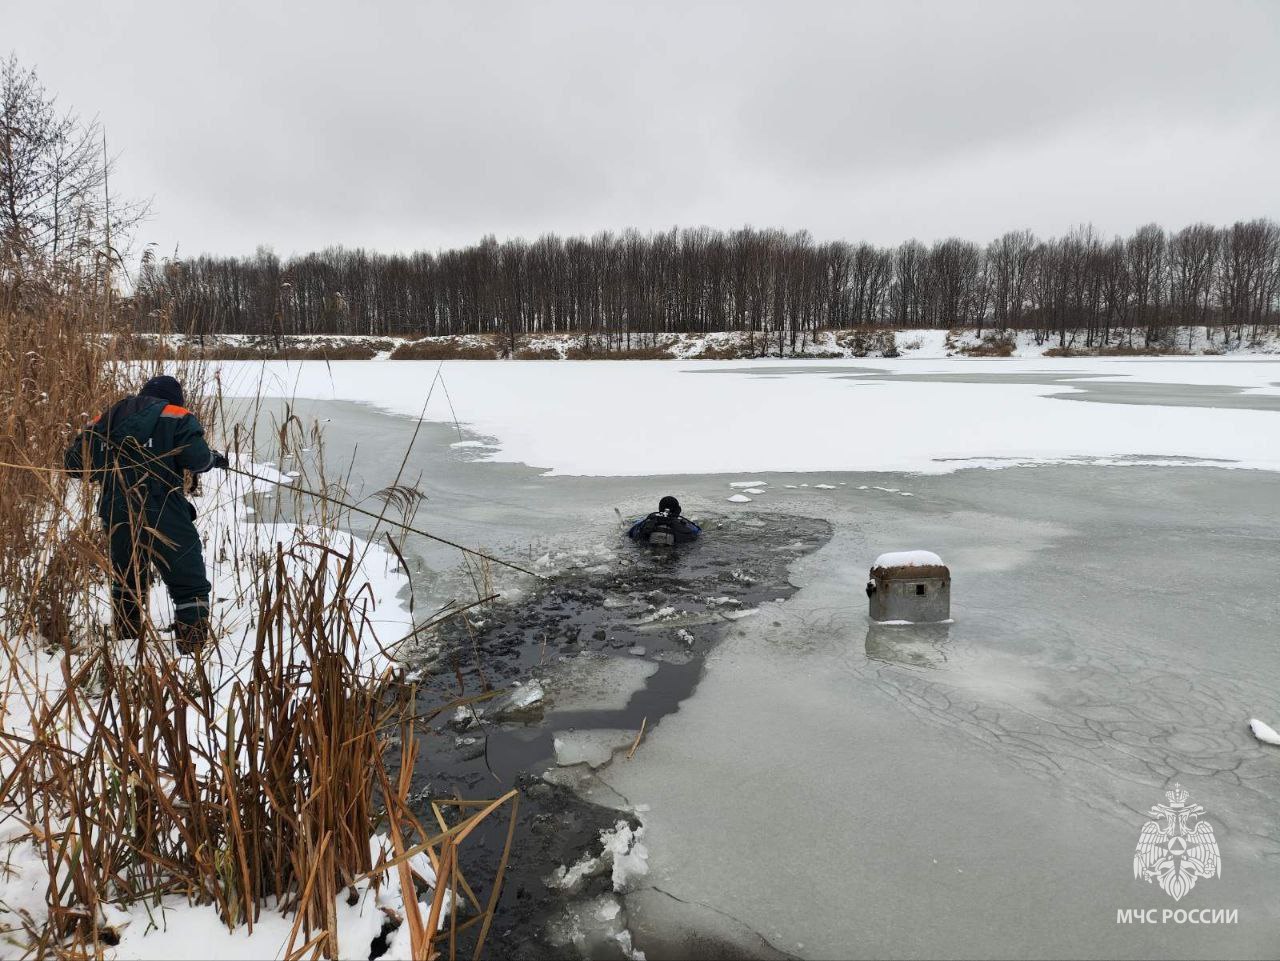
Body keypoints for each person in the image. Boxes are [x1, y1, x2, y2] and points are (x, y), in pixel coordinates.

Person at [64, 375, 229, 652]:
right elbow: (198, 460)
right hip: (164, 510)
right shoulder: (177, 415)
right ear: (173, 398)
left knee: (126, 580)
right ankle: (194, 651)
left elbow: (73, 465)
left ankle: (127, 646)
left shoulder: (103, 420)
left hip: (116, 514)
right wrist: (213, 459)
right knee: (189, 581)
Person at [627, 495, 701, 546]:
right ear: (678, 510)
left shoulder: (649, 520)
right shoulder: (683, 523)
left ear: (659, 508)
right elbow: (697, 531)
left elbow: (632, 531)